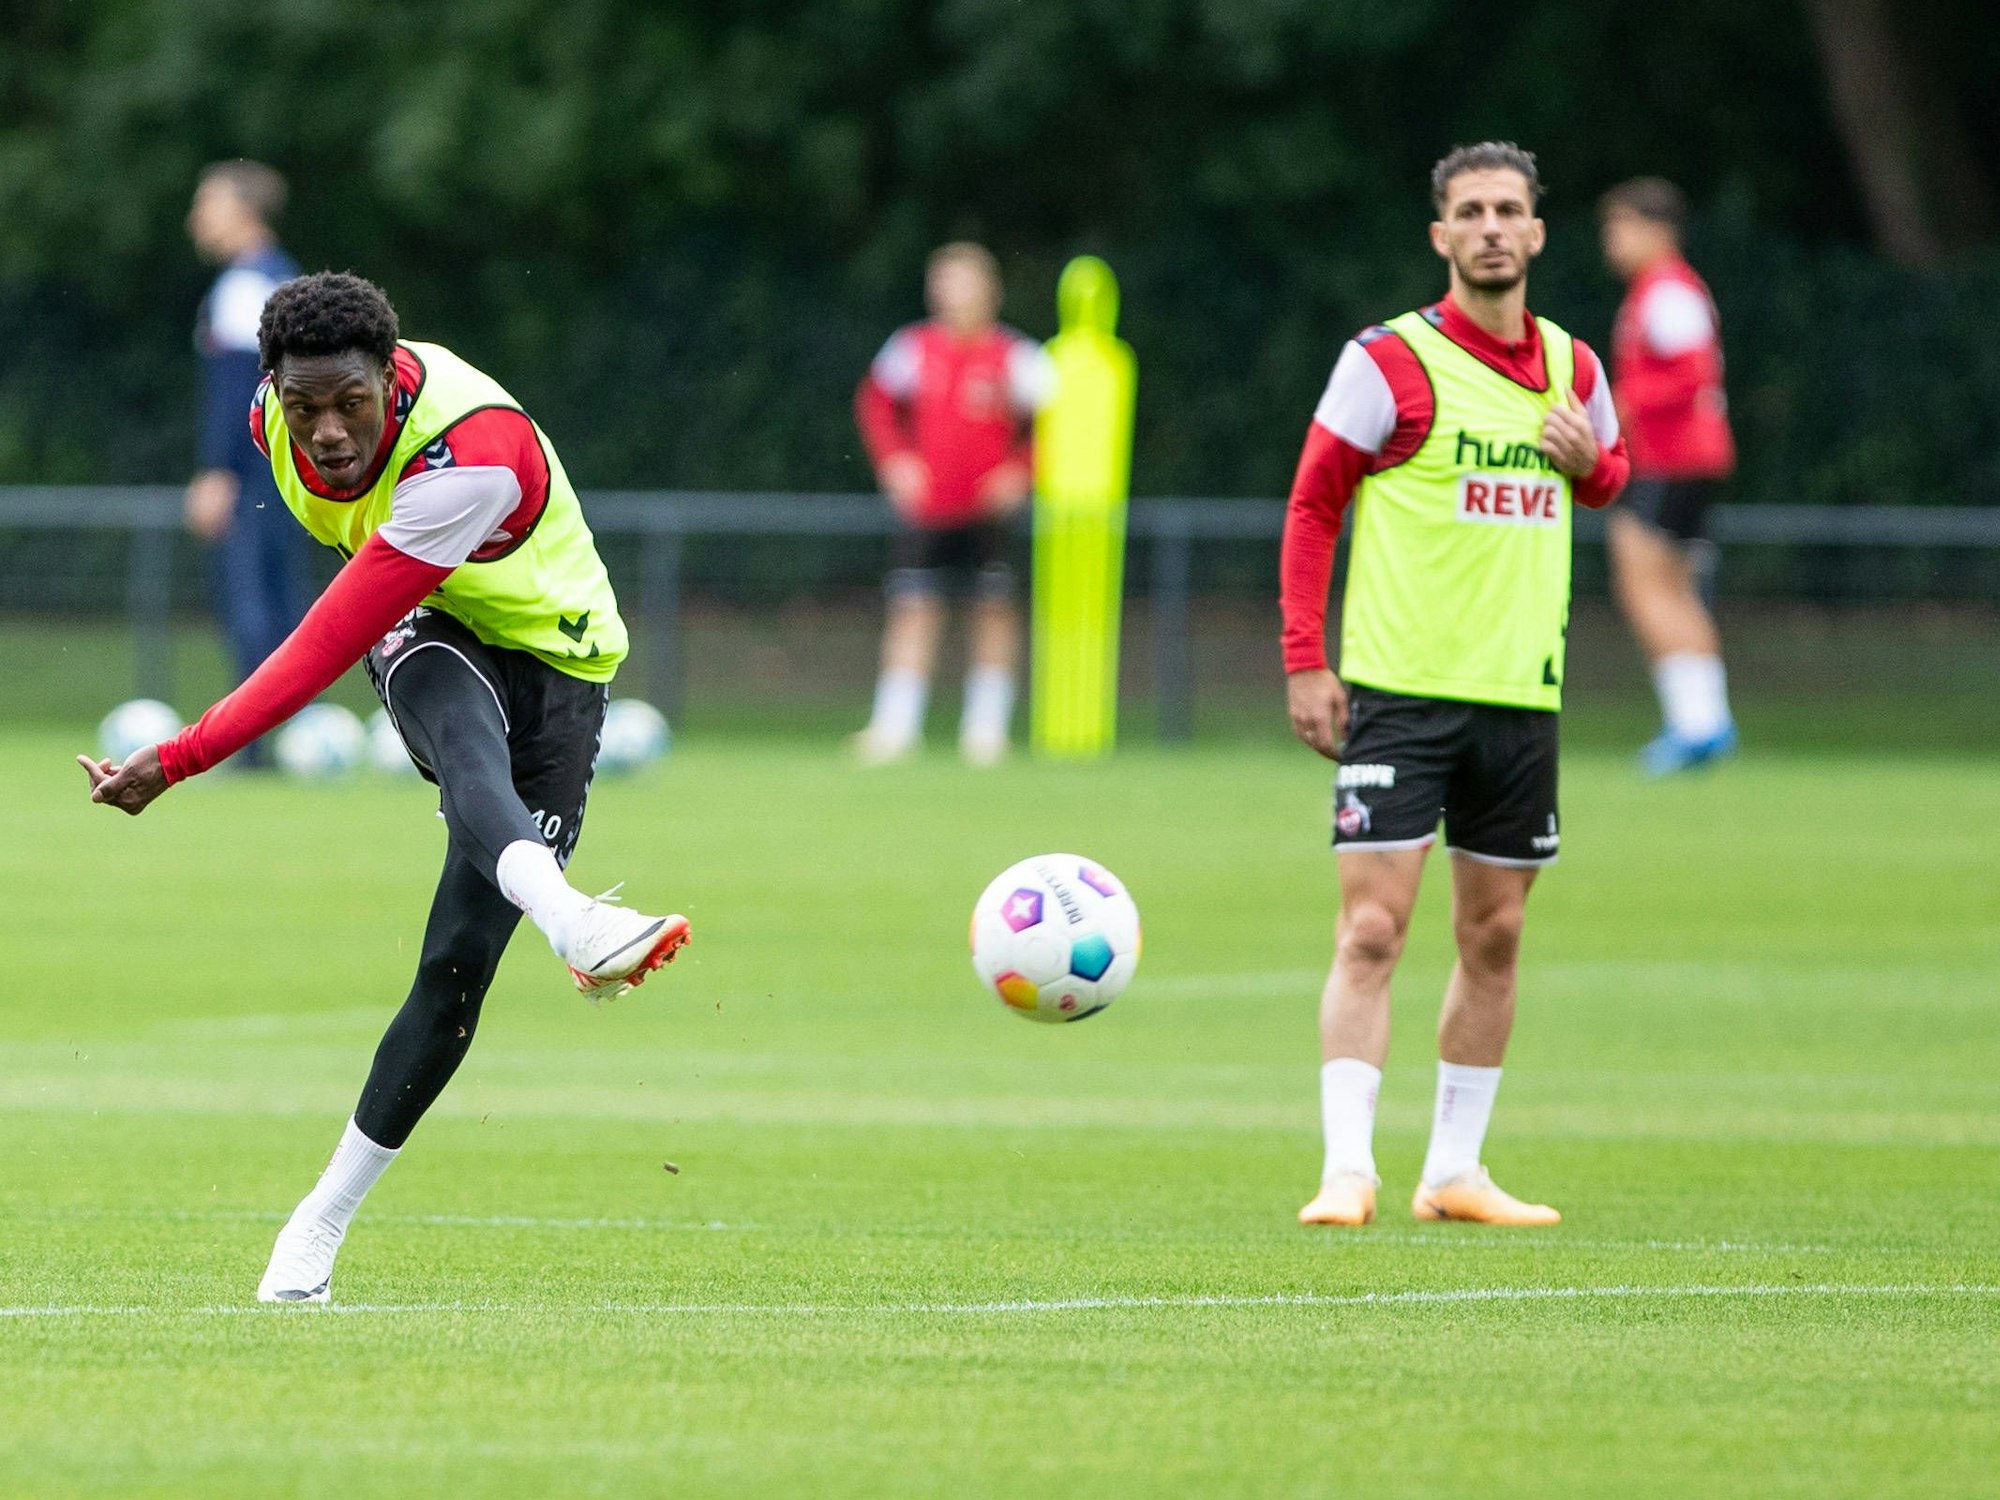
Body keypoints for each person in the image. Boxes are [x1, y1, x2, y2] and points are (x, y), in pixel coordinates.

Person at [79, 272, 691, 1303]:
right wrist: (186, 755)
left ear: (391, 381)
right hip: (434, 623)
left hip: (558, 665)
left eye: (348, 403)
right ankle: (571, 925)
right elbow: (350, 632)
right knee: (455, 734)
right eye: (302, 403)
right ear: (271, 386)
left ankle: (557, 921)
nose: (324, 431)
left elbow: (320, 643)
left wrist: (180, 757)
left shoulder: (471, 459)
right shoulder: (271, 414)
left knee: (455, 968)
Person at [1280, 143, 1630, 1229]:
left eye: (1507, 210)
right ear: (1439, 236)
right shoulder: (1387, 361)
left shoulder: (1574, 366)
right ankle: (1347, 1170)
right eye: (1468, 211)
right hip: (1399, 690)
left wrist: (1586, 469)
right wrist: (1305, 658)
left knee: (1495, 936)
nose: (1488, 227)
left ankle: (1453, 1171)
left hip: (1520, 696)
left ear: (1534, 234)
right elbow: (1309, 507)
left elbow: (1610, 478)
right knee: (1372, 931)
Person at [853, 242, 1054, 765]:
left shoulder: (1017, 355)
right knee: (913, 608)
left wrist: (1020, 471)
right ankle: (895, 728)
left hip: (989, 513)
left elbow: (1056, 426)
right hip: (927, 510)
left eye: (962, 282)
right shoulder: (911, 347)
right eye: (943, 282)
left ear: (990, 291)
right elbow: (875, 403)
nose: (950, 294)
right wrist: (895, 460)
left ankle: (985, 731)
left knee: (993, 610)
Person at [1599, 177, 1739, 774]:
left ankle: (1694, 725)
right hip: (1688, 457)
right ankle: (1706, 722)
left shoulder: (1667, 290)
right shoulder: (1663, 290)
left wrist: (1624, 406)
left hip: (1673, 457)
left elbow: (1692, 372)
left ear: (1656, 229)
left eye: (1620, 226)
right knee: (1676, 588)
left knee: (1642, 579)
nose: (1612, 241)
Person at [185, 162, 309, 733]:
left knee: (252, 600)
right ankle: (293, 730)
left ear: (242, 211)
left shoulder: (244, 284)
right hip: (286, 467)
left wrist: (218, 470)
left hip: (254, 469)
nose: (197, 217)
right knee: (284, 597)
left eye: (207, 203)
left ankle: (256, 739)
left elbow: (239, 389)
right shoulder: (281, 277)